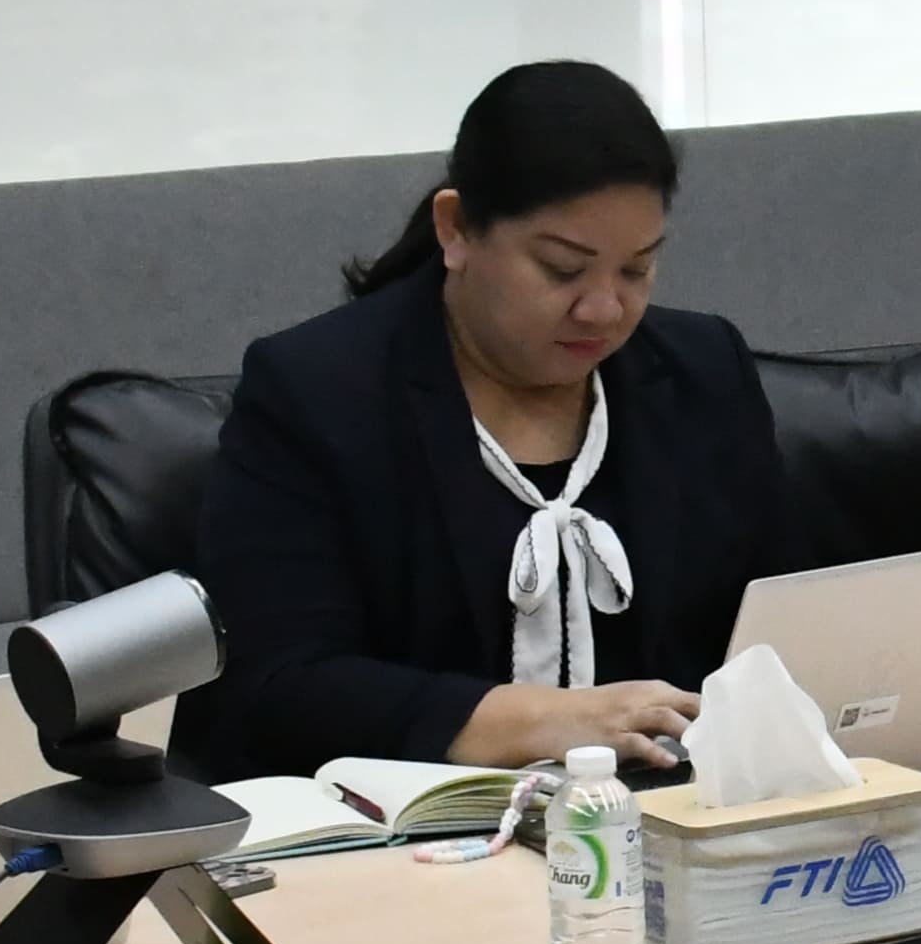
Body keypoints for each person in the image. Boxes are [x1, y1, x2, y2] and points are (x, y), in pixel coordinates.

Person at [188, 61, 789, 780]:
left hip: (674, 810)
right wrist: (546, 721)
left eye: (636, 270)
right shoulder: (319, 392)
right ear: (456, 230)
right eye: (562, 269)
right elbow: (276, 688)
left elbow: (778, 625)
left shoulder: (702, 371)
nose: (604, 308)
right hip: (422, 826)